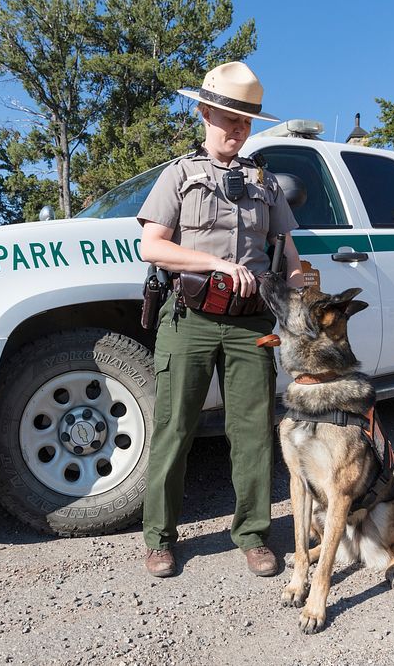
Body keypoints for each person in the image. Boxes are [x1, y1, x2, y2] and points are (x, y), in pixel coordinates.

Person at [137, 61, 305, 578]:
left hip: (252, 325)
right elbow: (152, 247)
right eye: (228, 117)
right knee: (174, 429)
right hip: (189, 317)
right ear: (204, 112)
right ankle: (160, 540)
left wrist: (302, 297)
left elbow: (289, 254)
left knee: (253, 432)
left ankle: (253, 535)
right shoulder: (180, 175)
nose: (237, 129)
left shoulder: (266, 183)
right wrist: (217, 264)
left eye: (246, 121)